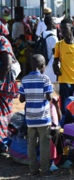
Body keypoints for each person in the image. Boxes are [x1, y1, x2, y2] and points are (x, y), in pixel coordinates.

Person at [19, 54, 53, 177]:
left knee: (31, 144)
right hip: (43, 118)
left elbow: (22, 99)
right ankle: (44, 170)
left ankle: (33, 170)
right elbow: (49, 97)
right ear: (43, 66)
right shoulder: (45, 79)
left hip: (30, 119)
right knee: (44, 144)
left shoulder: (24, 79)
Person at [0, 21, 19, 149]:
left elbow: (7, 64)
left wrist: (0, 80)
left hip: (3, 82)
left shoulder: (3, 41)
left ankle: (3, 141)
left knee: (3, 111)